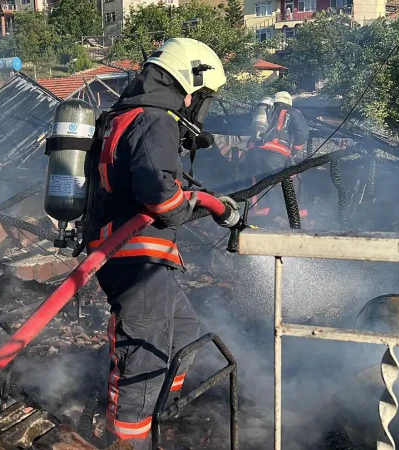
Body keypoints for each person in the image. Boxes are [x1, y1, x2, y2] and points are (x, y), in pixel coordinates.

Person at [87, 38, 238, 449]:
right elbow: (159, 196)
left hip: (138, 252)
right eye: (201, 96)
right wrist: (200, 203)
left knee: (184, 330)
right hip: (134, 252)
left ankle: (158, 410)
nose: (197, 105)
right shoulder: (156, 119)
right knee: (147, 350)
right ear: (189, 81)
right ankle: (128, 440)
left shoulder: (125, 114)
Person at [241, 90, 309, 220]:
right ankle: (297, 213)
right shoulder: (292, 112)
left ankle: (260, 213)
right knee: (291, 179)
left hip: (253, 152)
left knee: (258, 181)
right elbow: (303, 134)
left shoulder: (263, 111)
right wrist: (295, 150)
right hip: (276, 153)